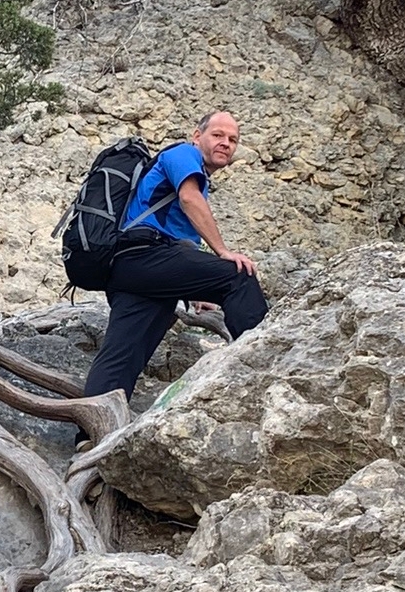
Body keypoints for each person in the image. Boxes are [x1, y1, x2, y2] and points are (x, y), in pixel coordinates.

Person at [84, 110, 268, 401]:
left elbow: (179, 242)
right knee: (237, 276)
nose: (226, 143)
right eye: (217, 135)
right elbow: (189, 198)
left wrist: (195, 290)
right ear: (198, 136)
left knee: (122, 355)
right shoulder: (184, 154)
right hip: (146, 256)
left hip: (129, 268)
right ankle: (267, 367)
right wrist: (222, 252)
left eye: (233, 139)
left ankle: (89, 432)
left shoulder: (184, 170)